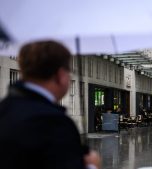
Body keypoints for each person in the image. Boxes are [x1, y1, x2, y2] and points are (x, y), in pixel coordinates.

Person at [0, 41, 100, 169]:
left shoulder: (4, 109)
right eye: (69, 71)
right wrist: (92, 165)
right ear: (60, 75)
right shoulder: (53, 122)